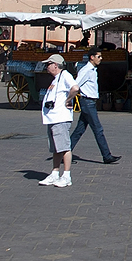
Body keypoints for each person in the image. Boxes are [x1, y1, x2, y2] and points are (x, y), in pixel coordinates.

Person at [69, 47, 122, 164]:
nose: (101, 59)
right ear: (92, 57)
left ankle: (65, 153)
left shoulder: (92, 69)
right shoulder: (86, 70)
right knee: (98, 129)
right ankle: (106, 155)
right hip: (87, 102)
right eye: (99, 56)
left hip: (90, 102)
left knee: (79, 130)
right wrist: (70, 99)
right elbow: (75, 85)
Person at [39, 54, 76, 187]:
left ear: (55, 65)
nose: (47, 67)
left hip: (60, 117)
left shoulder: (65, 75)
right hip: (52, 118)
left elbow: (75, 88)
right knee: (56, 148)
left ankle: (66, 175)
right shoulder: (56, 79)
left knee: (64, 147)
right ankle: (55, 173)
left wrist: (68, 100)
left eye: (48, 64)